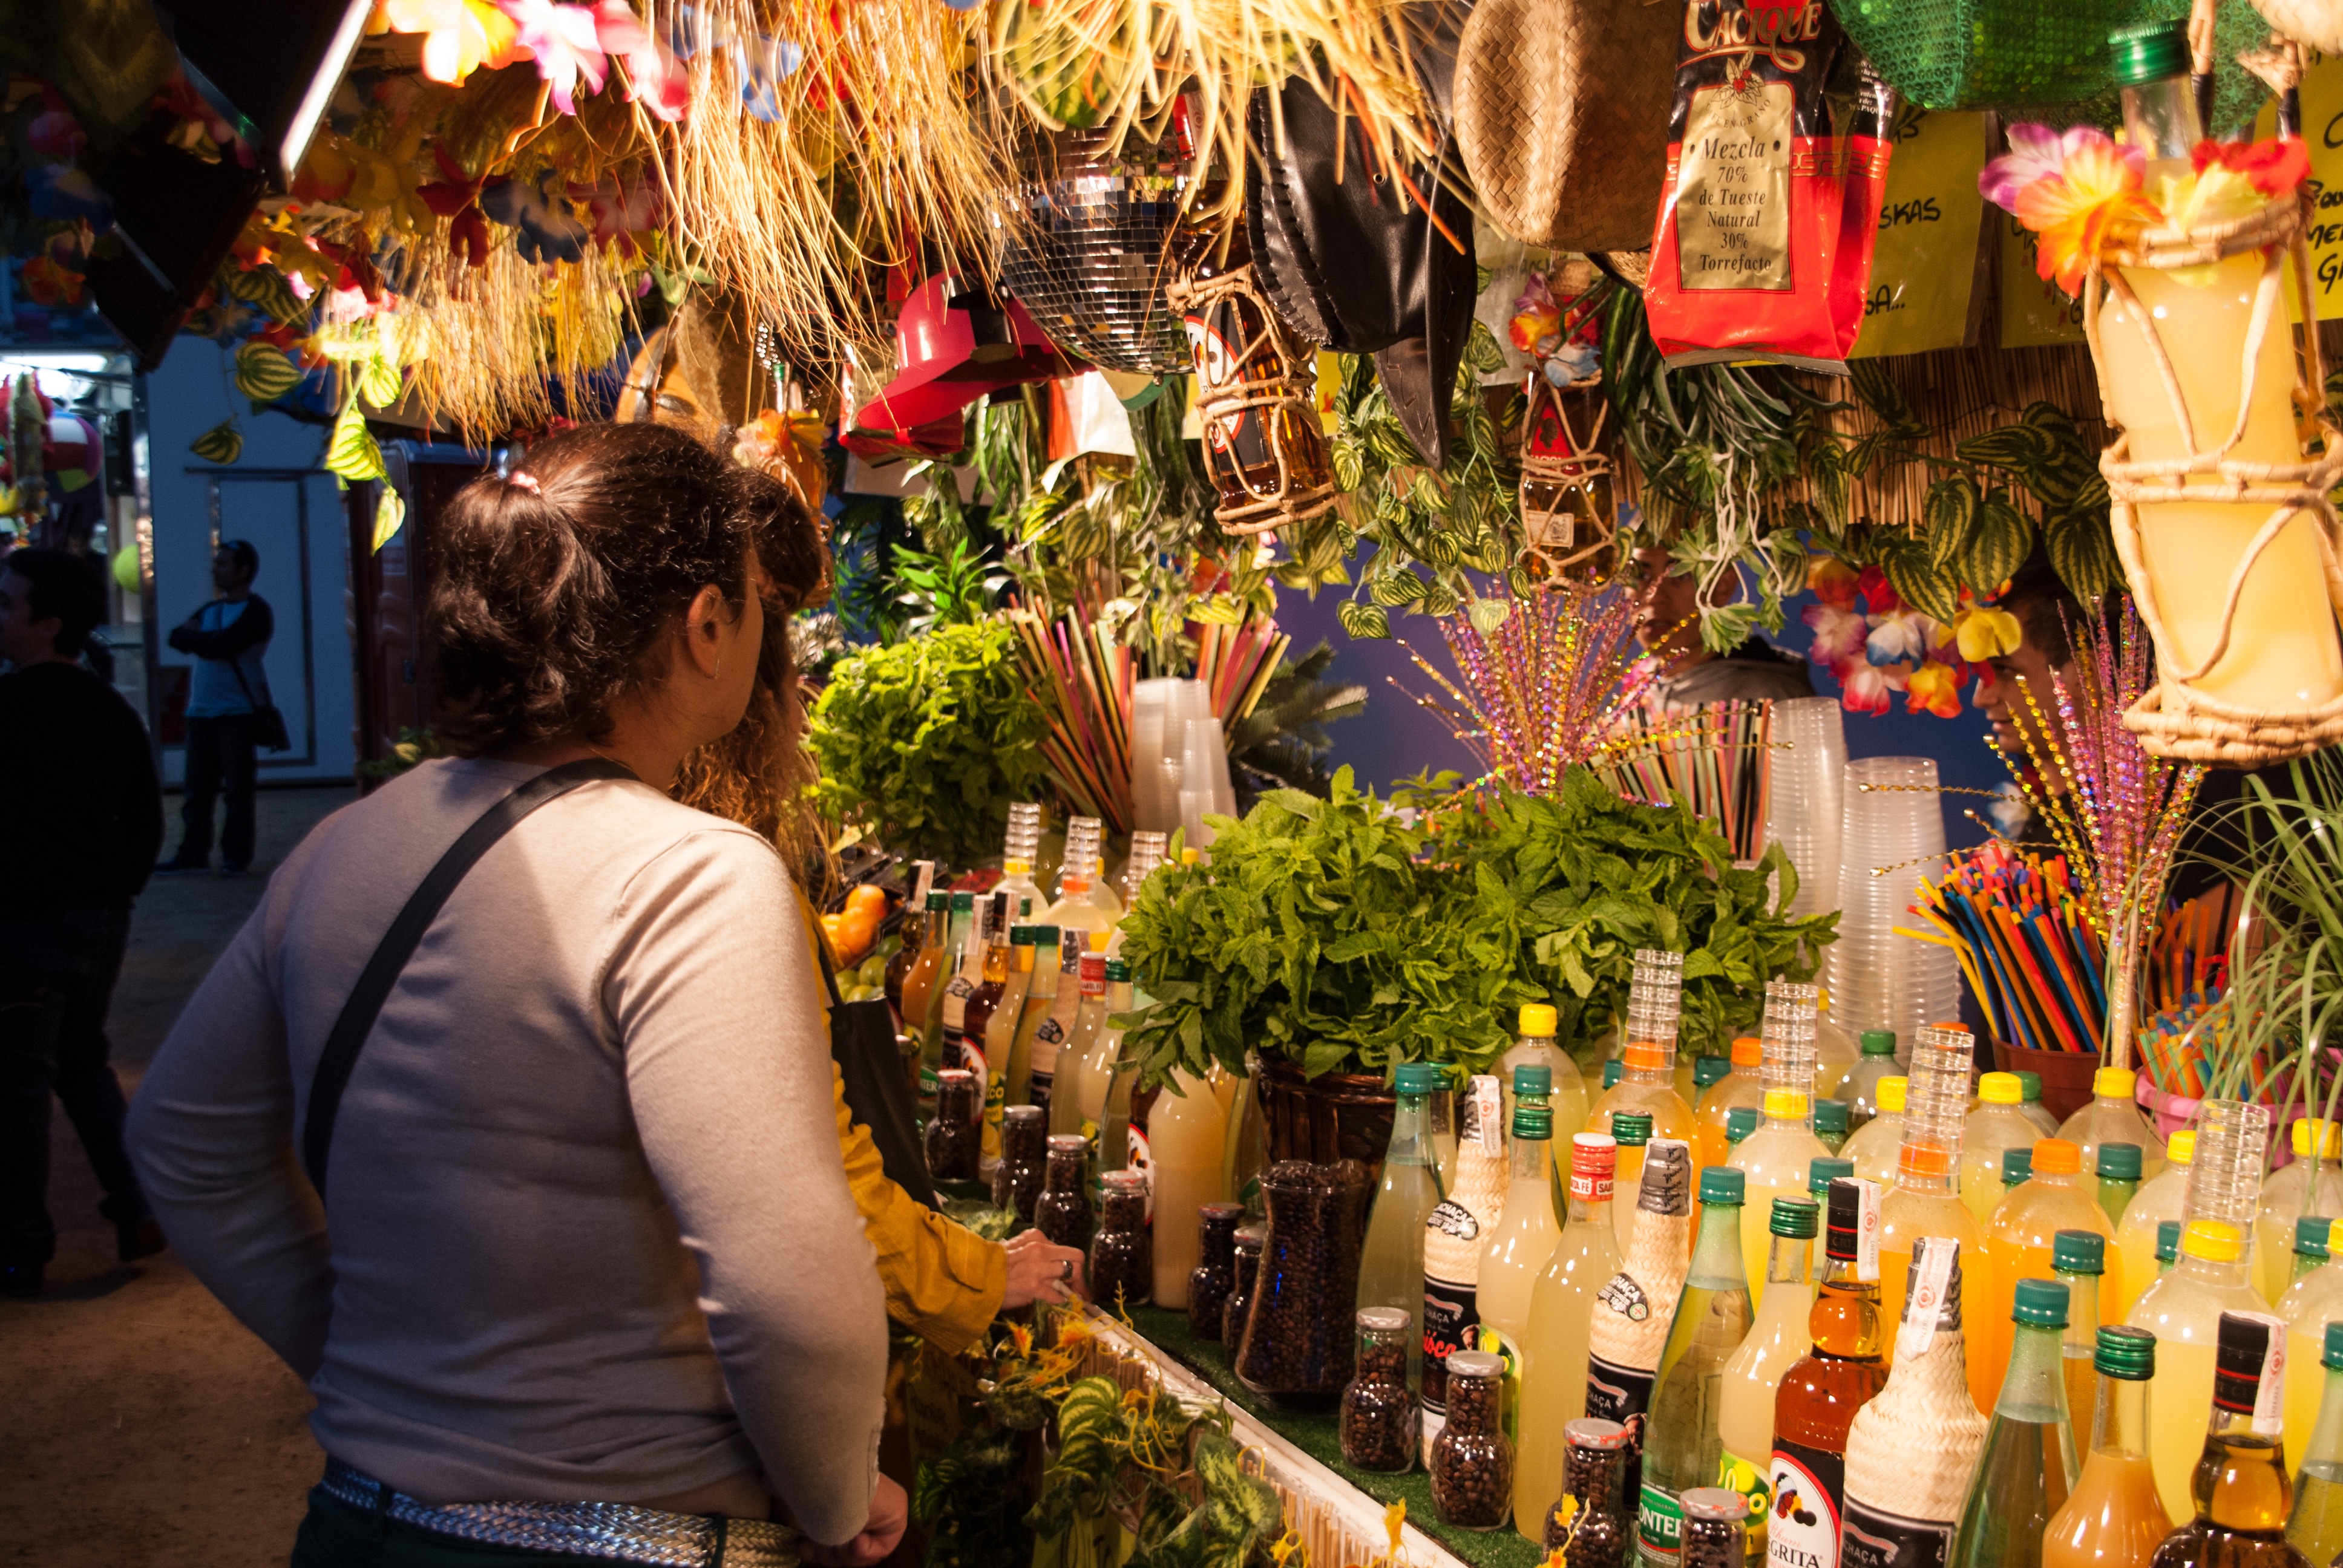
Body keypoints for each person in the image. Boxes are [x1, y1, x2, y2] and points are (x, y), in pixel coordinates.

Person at [128, 425, 908, 1568]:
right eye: (754, 601)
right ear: (705, 625)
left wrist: (374, 1377)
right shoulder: (694, 877)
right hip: (634, 1540)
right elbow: (789, 1289)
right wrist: (836, 1498)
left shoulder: (346, 845)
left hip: (361, 1527)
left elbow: (181, 1142)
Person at [667, 582, 1087, 1347]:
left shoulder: (645, 851)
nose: (804, 724)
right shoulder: (730, 883)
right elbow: (816, 1160)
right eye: (793, 695)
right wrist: (978, 1274)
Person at [0, 547, 165, 1298]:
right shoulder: (110, 708)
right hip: (101, 919)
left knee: (19, 1086)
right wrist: (117, 890)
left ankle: (23, 1246)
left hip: (26, 922)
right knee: (80, 1061)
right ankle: (136, 1205)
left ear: (48, 623)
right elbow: (146, 820)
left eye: (8, 604)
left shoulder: (11, 709)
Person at [158, 538, 273, 878]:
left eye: (223, 564)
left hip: (237, 712)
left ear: (243, 570)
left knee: (237, 791)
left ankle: (233, 856)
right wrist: (205, 641)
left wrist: (198, 639)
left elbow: (219, 646)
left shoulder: (255, 611)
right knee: (198, 790)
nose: (215, 569)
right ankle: (195, 855)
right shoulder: (212, 610)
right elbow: (177, 638)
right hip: (203, 711)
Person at [1625, 543, 1815, 710]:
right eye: (1641, 575)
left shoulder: (1773, 700)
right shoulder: (1635, 697)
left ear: (1722, 585)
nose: (1655, 597)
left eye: (1681, 574)